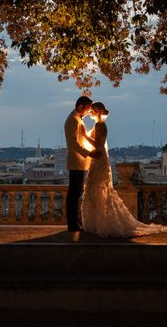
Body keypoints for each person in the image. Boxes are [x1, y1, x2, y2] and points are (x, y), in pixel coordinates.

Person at [81, 101, 167, 238]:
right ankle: (96, 222)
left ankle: (99, 223)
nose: (90, 113)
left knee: (97, 188)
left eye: (92, 111)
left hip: (99, 160)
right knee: (96, 188)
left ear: (97, 112)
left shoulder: (100, 125)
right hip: (98, 160)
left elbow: (98, 144)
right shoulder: (99, 125)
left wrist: (84, 136)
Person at [64, 96, 98, 232]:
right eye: (88, 108)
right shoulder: (73, 120)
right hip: (76, 162)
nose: (89, 112)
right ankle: (72, 224)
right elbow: (73, 144)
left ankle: (75, 222)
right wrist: (89, 153)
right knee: (74, 194)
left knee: (76, 194)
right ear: (80, 107)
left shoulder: (77, 119)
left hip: (80, 162)